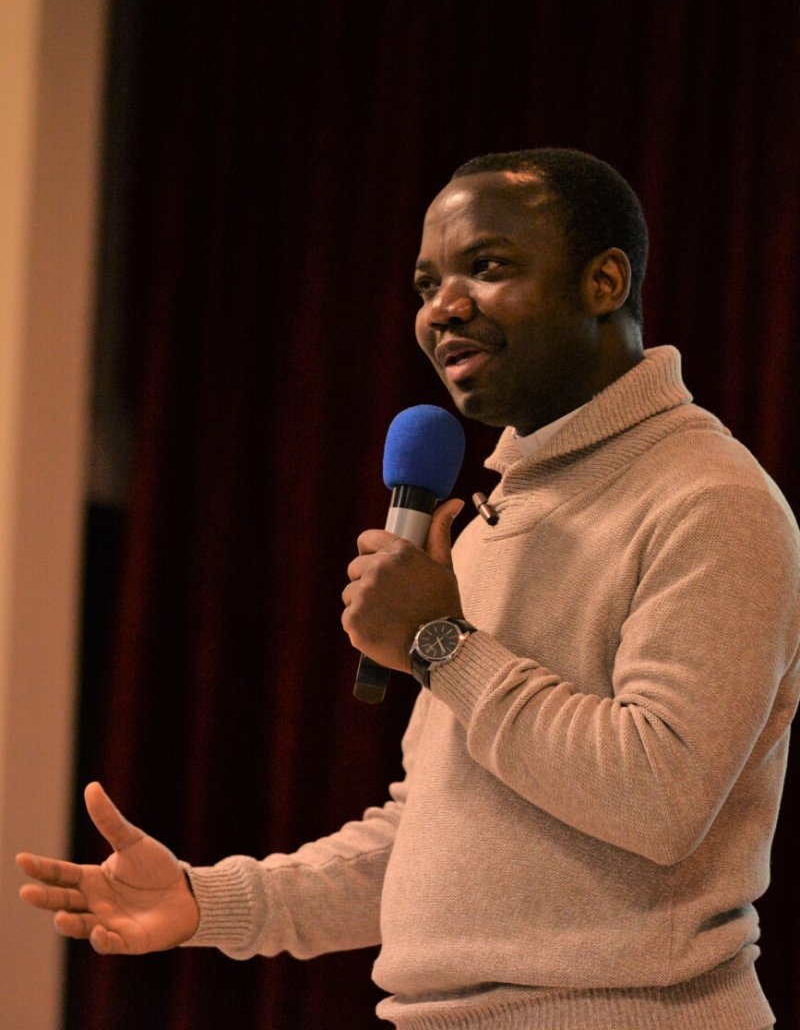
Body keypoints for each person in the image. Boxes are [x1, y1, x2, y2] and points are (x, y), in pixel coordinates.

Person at [18, 149, 798, 1029]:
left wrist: (442, 645)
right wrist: (213, 902)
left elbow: (657, 796)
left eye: (487, 267)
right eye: (426, 284)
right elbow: (438, 830)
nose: (444, 308)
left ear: (604, 281)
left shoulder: (710, 499)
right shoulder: (498, 514)